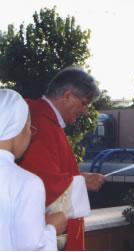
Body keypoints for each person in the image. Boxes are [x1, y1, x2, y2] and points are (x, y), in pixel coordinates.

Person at [20, 66, 105, 250]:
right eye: (84, 103)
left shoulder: (45, 120)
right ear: (67, 96)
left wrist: (81, 178)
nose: (85, 111)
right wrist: (82, 181)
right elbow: (40, 180)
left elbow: (50, 171)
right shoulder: (39, 122)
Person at [0, 89, 67, 250]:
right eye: (29, 127)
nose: (30, 134)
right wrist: (53, 228)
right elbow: (31, 246)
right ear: (17, 129)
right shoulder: (27, 183)